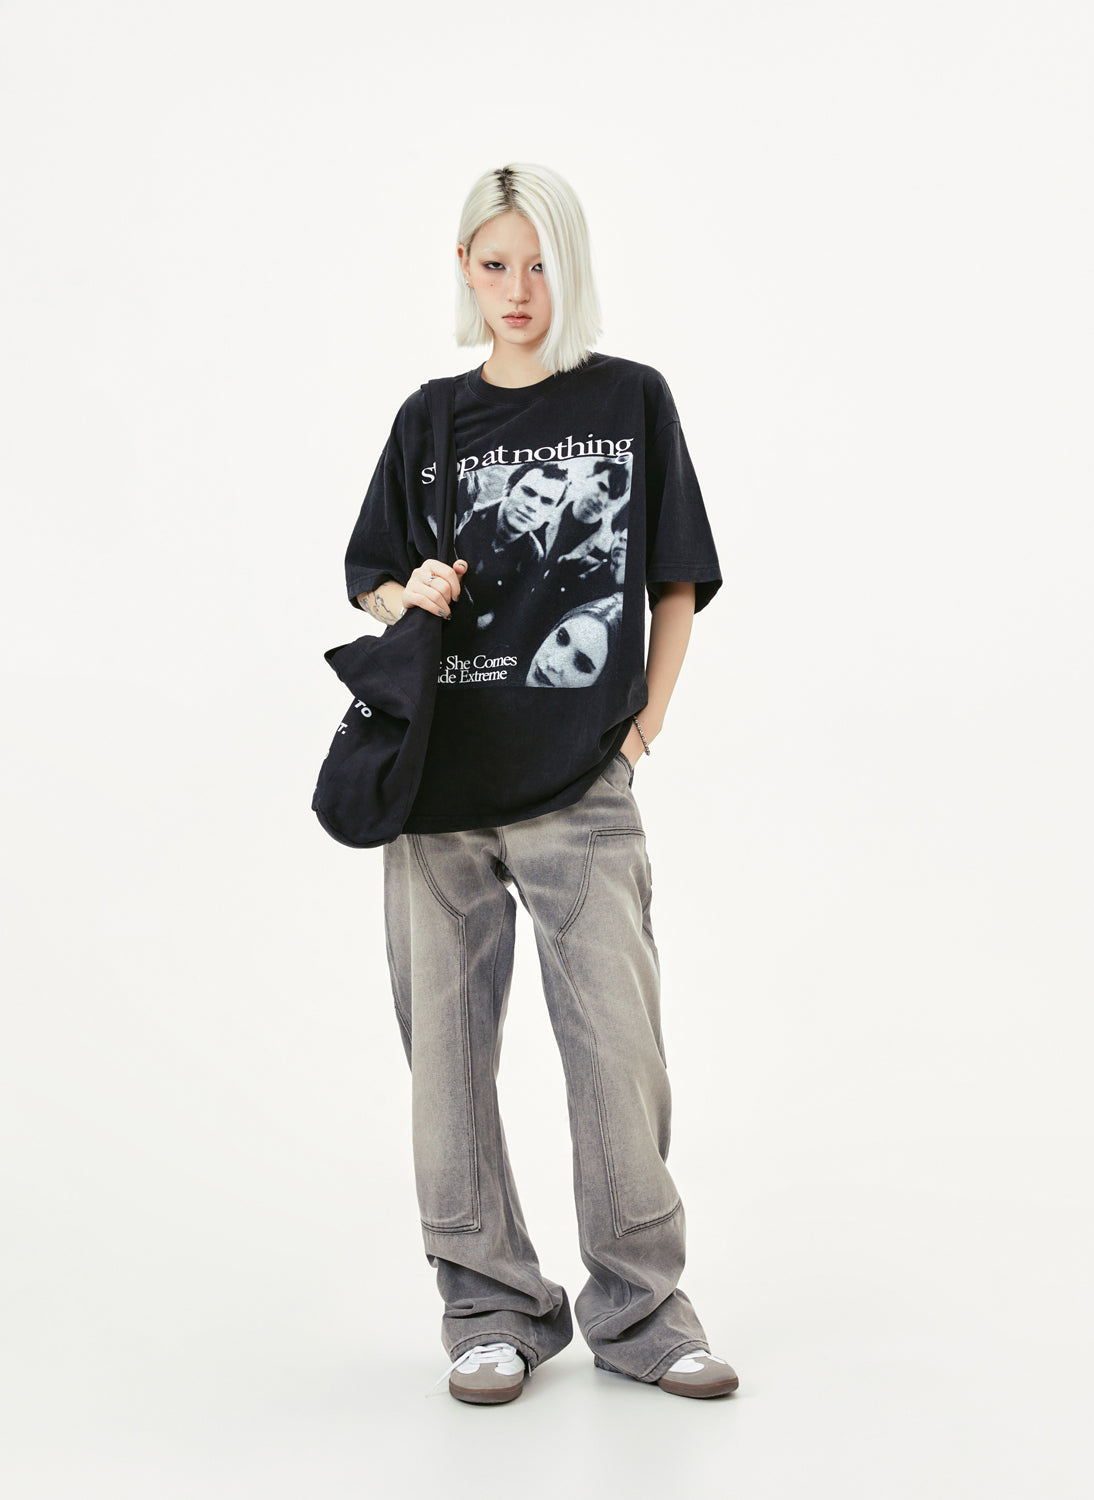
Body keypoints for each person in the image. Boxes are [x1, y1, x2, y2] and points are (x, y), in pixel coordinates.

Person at [343, 163, 737, 1404]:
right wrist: (408, 595)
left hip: (580, 782)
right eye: (494, 264)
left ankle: (643, 1313)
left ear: (571, 266)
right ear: (463, 269)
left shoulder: (629, 399)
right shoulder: (429, 419)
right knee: (447, 1065)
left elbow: (674, 581)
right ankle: (487, 1308)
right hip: (437, 789)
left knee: (617, 1051)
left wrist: (639, 731)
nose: (518, 289)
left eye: (538, 263)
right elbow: (371, 577)